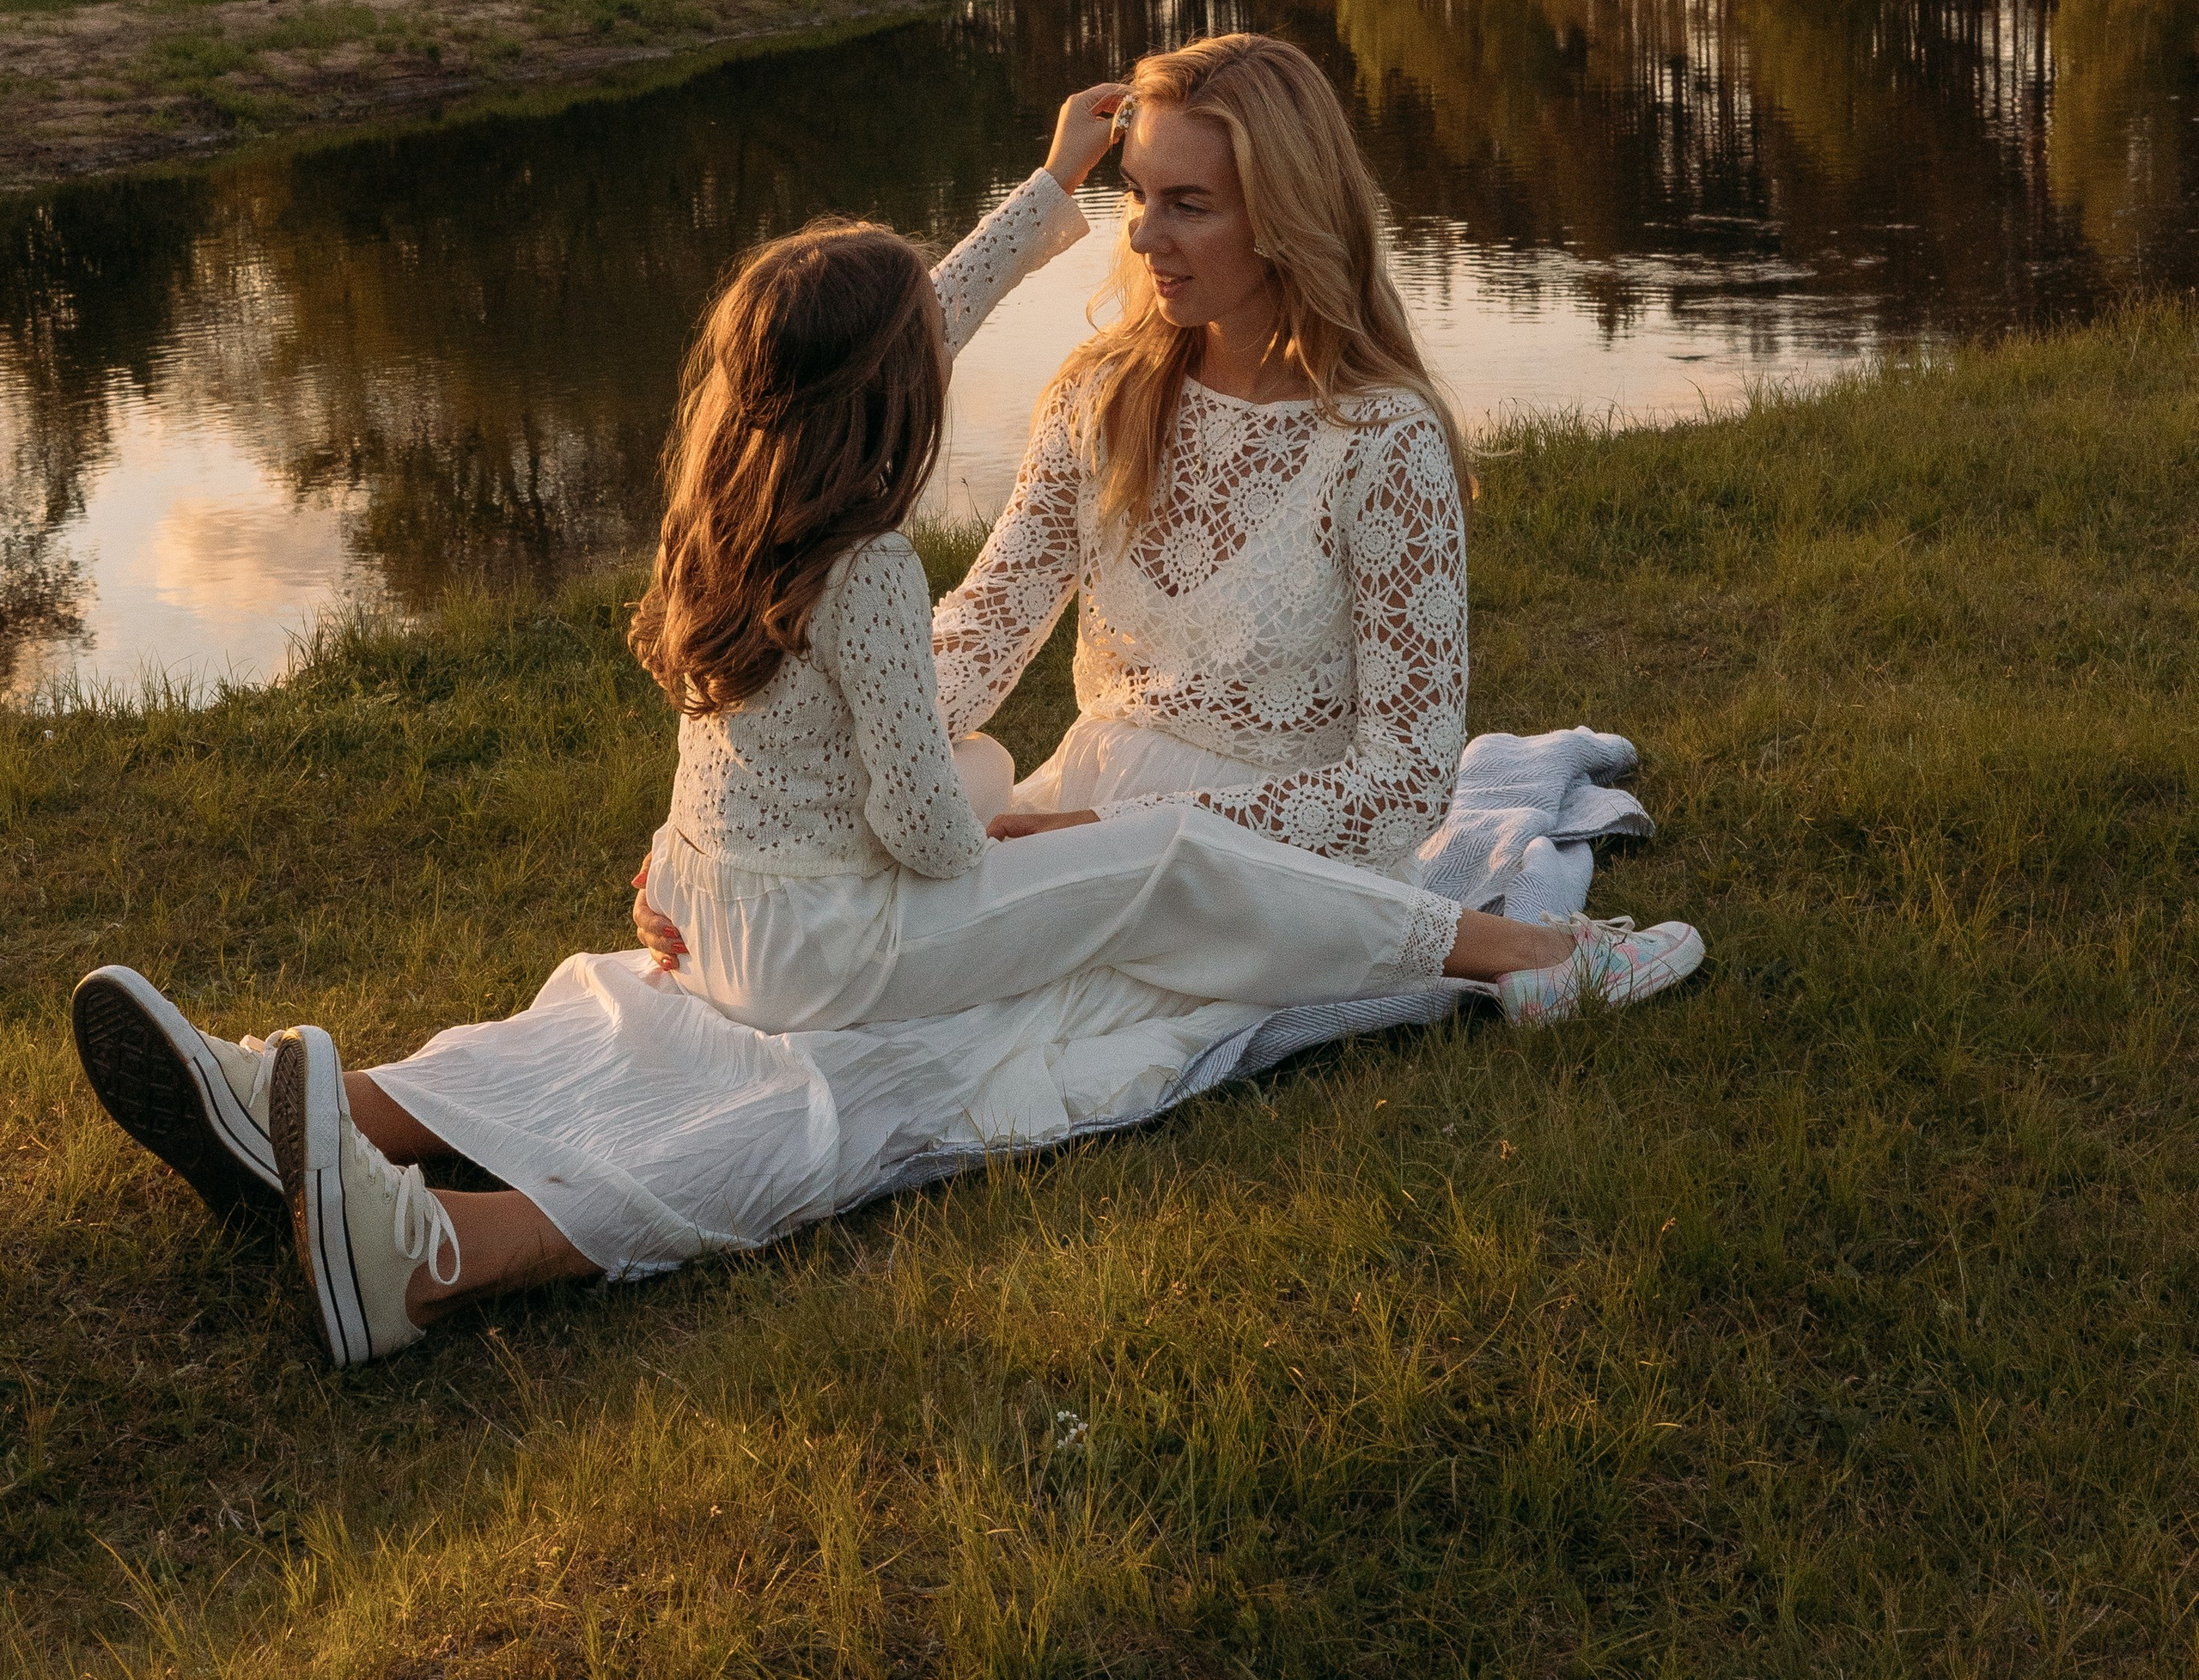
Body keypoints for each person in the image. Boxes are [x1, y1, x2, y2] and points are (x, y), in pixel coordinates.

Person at [76, 66, 1701, 1370]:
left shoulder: (1385, 442)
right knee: (697, 988)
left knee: (900, 1065)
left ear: (1289, 212)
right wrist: (784, 807)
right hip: (1067, 809)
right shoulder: (1108, 392)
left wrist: (1112, 833)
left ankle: (452, 1250)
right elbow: (975, 629)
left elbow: (1405, 781)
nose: (1144, 236)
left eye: (1187, 202)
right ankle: (317, 1110)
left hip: (1268, 860)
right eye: (1137, 195)